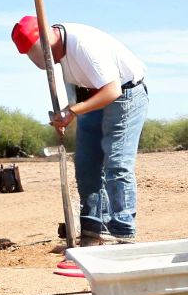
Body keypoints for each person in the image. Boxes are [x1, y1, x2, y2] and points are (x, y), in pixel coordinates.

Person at [11, 16, 150, 244]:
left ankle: (122, 231)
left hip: (125, 95)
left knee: (116, 162)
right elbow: (76, 86)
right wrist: (66, 112)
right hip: (91, 95)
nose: (52, 62)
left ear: (49, 39)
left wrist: (73, 112)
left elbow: (112, 90)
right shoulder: (59, 50)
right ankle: (95, 226)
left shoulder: (83, 46)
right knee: (86, 163)